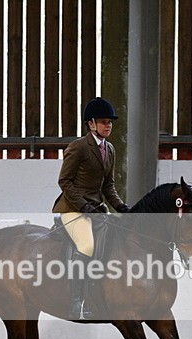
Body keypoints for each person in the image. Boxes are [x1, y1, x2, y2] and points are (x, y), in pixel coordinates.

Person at [52, 97, 130, 319]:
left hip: (96, 209)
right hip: (72, 209)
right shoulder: (78, 147)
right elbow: (64, 181)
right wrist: (84, 206)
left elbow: (108, 186)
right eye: (104, 122)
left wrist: (121, 207)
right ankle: (76, 300)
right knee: (86, 246)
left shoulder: (110, 149)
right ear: (91, 124)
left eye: (110, 122)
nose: (108, 126)